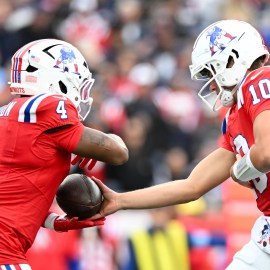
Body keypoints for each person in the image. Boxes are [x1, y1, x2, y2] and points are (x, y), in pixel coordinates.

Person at [90, 20, 270, 269]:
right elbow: (191, 186)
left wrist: (240, 170)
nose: (212, 84)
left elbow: (266, 151)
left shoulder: (259, 80)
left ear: (232, 61)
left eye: (210, 72)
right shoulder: (235, 117)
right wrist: (120, 201)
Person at [0, 39, 129, 268]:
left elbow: (13, 197)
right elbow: (118, 153)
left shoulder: (7, 115)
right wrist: (107, 138)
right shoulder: (49, 105)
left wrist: (55, 221)